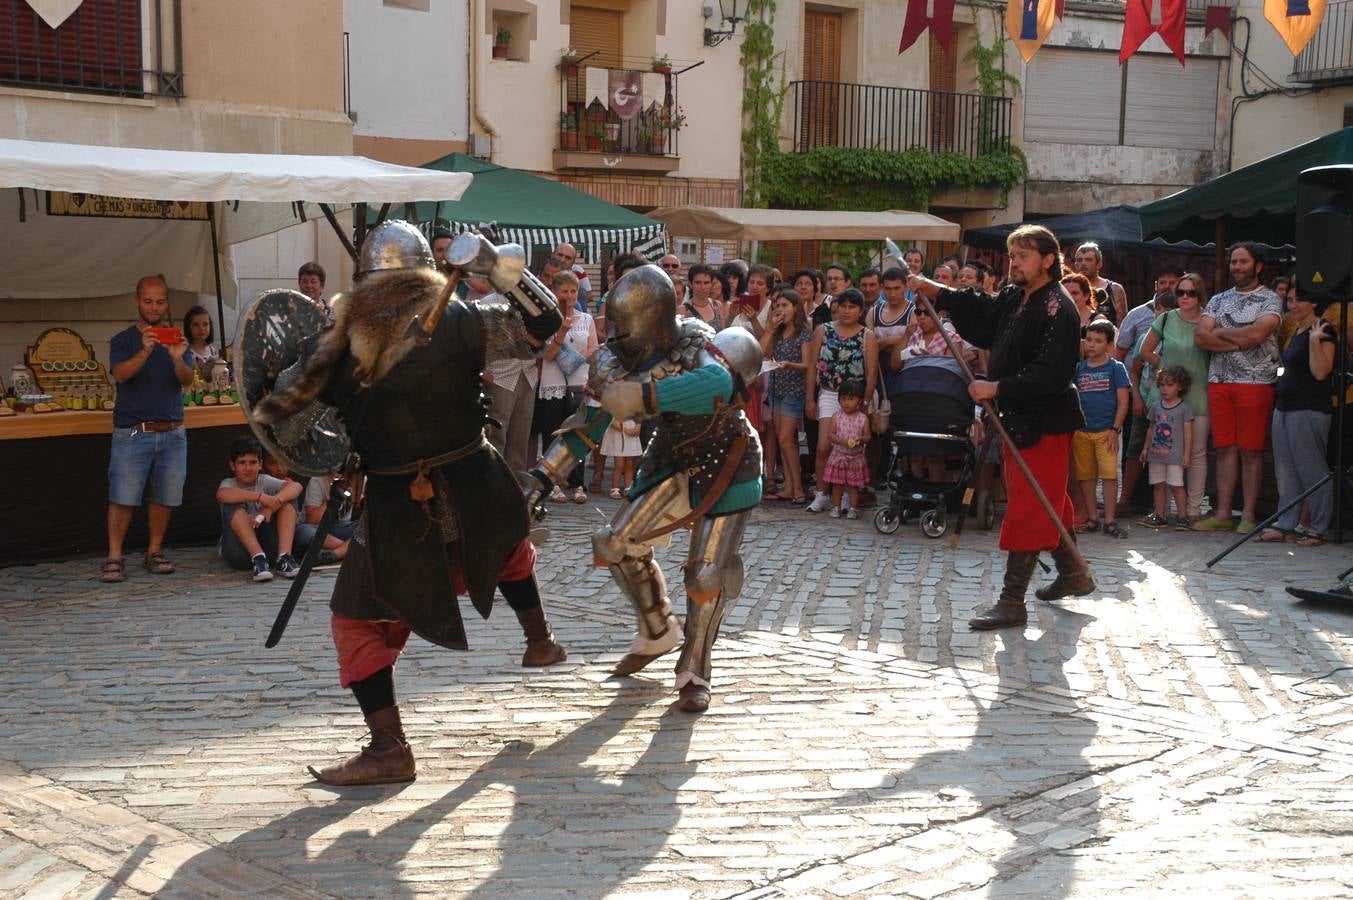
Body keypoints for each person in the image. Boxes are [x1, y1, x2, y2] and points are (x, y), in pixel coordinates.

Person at [252, 221, 569, 785]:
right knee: (506, 547)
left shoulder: (334, 342)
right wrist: (502, 272)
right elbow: (544, 325)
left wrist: (286, 379)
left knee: (356, 620)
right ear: (427, 270)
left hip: (401, 504)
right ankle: (539, 638)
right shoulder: (468, 319)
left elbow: (283, 421)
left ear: (364, 281)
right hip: (478, 480)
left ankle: (388, 749)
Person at [530, 265, 764, 712]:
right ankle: (658, 628)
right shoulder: (615, 361)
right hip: (673, 454)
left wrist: (646, 399)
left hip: (727, 458)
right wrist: (542, 479)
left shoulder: (697, 343)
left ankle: (695, 669)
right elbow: (587, 428)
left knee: (705, 573)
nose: (618, 337)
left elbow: (718, 383)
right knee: (614, 542)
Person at [908, 224, 1091, 630]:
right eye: (1012, 256)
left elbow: (1050, 374)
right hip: (1019, 415)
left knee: (1029, 504)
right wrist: (936, 290)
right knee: (1047, 499)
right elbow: (983, 310)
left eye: (1023, 256)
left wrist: (996, 386)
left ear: (1048, 259)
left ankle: (1012, 602)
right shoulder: (1017, 296)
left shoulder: (1058, 308)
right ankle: (1073, 571)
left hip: (1045, 418)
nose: (1014, 263)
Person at [101, 274, 195, 584]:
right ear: (137, 301)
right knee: (123, 496)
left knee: (165, 495)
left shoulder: (176, 338)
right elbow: (120, 374)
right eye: (148, 301)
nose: (154, 308)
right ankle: (114, 556)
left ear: (167, 303)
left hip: (172, 430)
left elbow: (187, 379)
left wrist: (178, 359)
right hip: (133, 431)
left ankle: (154, 551)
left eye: (160, 302)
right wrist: (143, 351)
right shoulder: (123, 340)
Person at [1192, 243, 1283, 533]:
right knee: (1223, 449)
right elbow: (1201, 338)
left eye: (1243, 262)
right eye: (1233, 262)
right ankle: (1222, 513)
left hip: (1256, 382)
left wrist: (1220, 333)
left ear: (1257, 266)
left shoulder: (1270, 299)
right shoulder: (1218, 300)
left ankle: (1248, 514)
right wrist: (1240, 339)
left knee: (1251, 450)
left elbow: (1260, 333)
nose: (1237, 267)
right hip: (1219, 380)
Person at [1258, 294, 1337, 545]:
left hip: (1309, 409)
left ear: (1315, 302)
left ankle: (1318, 527)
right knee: (1286, 472)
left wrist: (1315, 342)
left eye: (1299, 300)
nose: (1292, 305)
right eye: (1290, 300)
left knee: (1312, 469)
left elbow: (1320, 371)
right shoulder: (1297, 330)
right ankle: (1286, 524)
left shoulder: (1323, 329)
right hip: (1285, 407)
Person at [1137, 273, 1211, 521]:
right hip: (1167, 396)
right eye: (1181, 292)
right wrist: (1168, 372)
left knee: (1196, 453)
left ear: (1200, 294)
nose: (1185, 297)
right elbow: (1144, 350)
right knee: (1162, 450)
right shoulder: (1167, 318)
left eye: (1191, 292)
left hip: (1199, 394)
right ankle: (1162, 511)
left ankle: (1192, 510)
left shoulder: (1210, 321)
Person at [805, 289, 877, 513]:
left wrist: (864, 402)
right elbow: (811, 366)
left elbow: (872, 372)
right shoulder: (823, 331)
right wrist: (810, 399)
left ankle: (847, 495)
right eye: (843, 306)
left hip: (855, 399)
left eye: (852, 307)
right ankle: (821, 493)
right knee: (824, 447)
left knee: (852, 451)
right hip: (828, 393)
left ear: (860, 310)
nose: (846, 311)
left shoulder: (867, 335)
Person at [532, 270, 598, 503]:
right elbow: (547, 355)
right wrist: (561, 334)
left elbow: (594, 348)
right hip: (553, 382)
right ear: (555, 292)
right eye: (565, 291)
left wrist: (575, 357)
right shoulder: (547, 320)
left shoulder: (586, 319)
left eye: (573, 291)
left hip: (579, 381)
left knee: (577, 434)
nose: (570, 296)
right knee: (553, 433)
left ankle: (577, 483)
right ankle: (552, 483)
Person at [1073, 321, 1131, 538]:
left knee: (1109, 475)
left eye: (1098, 341)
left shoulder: (1116, 368)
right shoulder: (1078, 369)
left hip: (1106, 431)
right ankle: (1092, 518)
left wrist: (1115, 429)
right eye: (1089, 340)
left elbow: (1123, 401)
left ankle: (1109, 520)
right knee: (1085, 476)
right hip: (1082, 431)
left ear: (1108, 344)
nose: (1091, 345)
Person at [215, 435, 302, 581]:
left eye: (253, 462)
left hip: (269, 548)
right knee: (232, 503)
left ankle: (284, 557)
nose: (248, 468)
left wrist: (272, 505)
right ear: (232, 466)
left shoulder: (264, 480)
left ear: (260, 464)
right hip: (239, 552)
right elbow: (222, 495)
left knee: (287, 498)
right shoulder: (229, 484)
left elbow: (296, 486)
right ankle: (258, 559)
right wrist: (260, 497)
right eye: (242, 463)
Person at [760, 286, 812, 504]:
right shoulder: (778, 331)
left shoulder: (803, 332)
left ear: (795, 307)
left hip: (794, 390)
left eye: (784, 305)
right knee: (784, 442)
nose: (780, 309)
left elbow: (807, 364)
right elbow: (762, 353)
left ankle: (798, 488)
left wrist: (789, 364)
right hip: (776, 389)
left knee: (784, 439)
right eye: (777, 306)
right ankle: (790, 487)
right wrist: (770, 329)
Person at [1138, 366, 1196, 530]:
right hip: (1156, 455)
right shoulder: (1156, 406)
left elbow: (1188, 432)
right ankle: (1160, 515)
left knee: (1176, 486)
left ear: (1180, 387)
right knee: (1158, 485)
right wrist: (1145, 449)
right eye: (1162, 385)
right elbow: (1151, 428)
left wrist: (1186, 454)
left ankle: (1182, 516)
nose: (1165, 389)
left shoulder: (1184, 409)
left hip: (1174, 456)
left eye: (1169, 385)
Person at [823, 380, 870, 518]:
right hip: (839, 455)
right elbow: (830, 435)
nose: (846, 402)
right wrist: (843, 441)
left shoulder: (863, 419)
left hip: (855, 458)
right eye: (843, 399)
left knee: (853, 485)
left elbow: (868, 437)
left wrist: (860, 440)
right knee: (837, 484)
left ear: (859, 401)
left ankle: (853, 508)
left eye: (851, 399)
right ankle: (836, 507)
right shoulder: (836, 417)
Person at [295, 473, 358, 563]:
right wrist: (333, 497)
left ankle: (335, 554)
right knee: (303, 531)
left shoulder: (356, 480)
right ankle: (352, 550)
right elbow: (312, 520)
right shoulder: (317, 480)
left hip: (341, 529)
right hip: (318, 529)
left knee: (366, 526)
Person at [1073, 241, 1127, 325]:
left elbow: (1123, 327)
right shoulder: (1069, 289)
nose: (1083, 263)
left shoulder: (1114, 289)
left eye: (1088, 259)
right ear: (1076, 265)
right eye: (1080, 260)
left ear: (1099, 264)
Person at [601, 415, 642, 499]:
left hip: (632, 432)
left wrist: (638, 426)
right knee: (619, 465)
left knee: (630, 465)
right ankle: (615, 488)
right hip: (619, 433)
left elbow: (639, 414)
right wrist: (625, 430)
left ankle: (628, 487)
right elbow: (610, 419)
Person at [682, 264, 724, 330]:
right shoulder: (683, 310)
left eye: (706, 283)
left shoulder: (717, 306)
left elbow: (722, 333)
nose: (702, 287)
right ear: (690, 284)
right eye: (698, 283)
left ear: (711, 284)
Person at [182, 306, 217, 372]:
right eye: (196, 325)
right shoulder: (185, 352)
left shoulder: (213, 351)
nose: (201, 328)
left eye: (205, 324)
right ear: (188, 328)